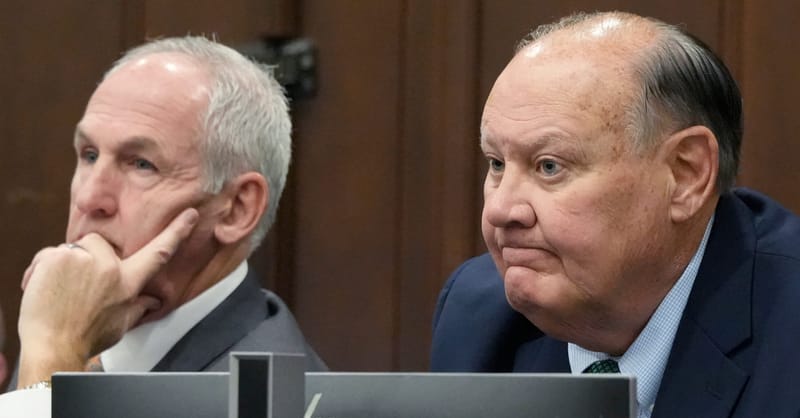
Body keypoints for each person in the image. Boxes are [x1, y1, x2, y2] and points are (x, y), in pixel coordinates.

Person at [430, 11, 800, 418]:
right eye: (497, 164)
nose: (501, 210)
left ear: (685, 174)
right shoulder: (479, 314)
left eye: (549, 166)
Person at [1, 35, 324, 407]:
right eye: (89, 155)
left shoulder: (272, 399)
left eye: (141, 164)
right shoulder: (69, 325)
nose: (90, 199)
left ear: (237, 208)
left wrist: (54, 352)